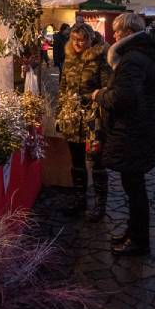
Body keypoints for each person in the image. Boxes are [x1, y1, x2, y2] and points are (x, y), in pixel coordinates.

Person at [92, 13, 155, 256]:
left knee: (134, 188)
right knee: (134, 186)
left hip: (133, 130)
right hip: (141, 129)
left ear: (128, 33)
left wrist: (100, 95)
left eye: (118, 31)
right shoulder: (142, 55)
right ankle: (133, 233)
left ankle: (139, 241)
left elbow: (123, 98)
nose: (114, 35)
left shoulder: (132, 59)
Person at [56, 23, 112, 221]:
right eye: (75, 39)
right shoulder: (69, 58)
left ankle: (99, 204)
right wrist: (60, 112)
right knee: (76, 160)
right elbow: (63, 86)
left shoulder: (100, 59)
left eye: (83, 39)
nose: (79, 43)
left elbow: (107, 88)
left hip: (93, 117)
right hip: (72, 116)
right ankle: (79, 199)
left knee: (96, 160)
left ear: (90, 39)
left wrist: (94, 99)